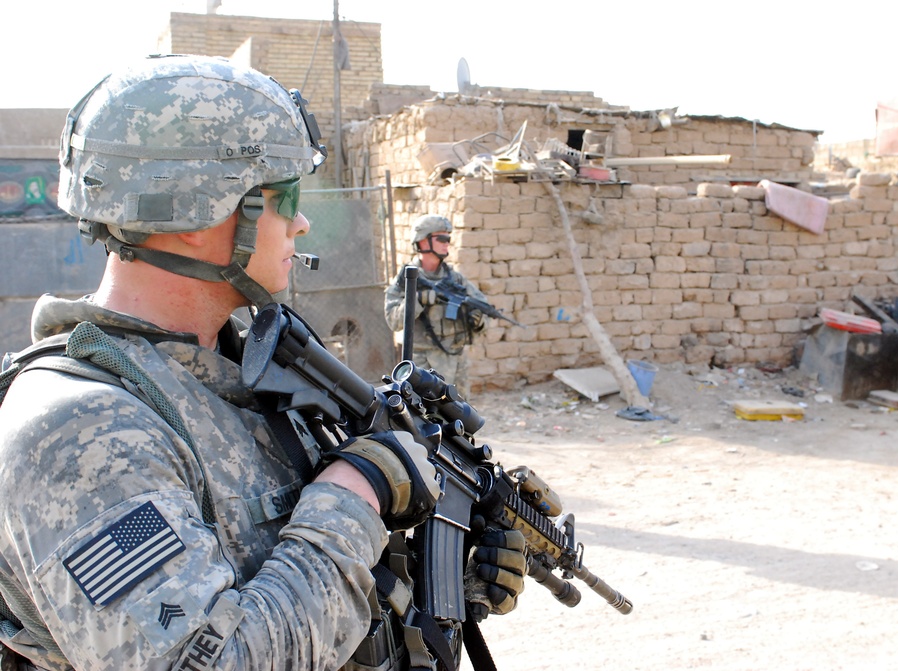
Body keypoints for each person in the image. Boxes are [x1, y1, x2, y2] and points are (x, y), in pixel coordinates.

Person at [0, 55, 523, 670]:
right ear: (200, 214)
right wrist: (357, 490)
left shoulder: (243, 372)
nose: (301, 222)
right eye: (285, 195)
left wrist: (450, 581)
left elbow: (305, 593)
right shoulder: (78, 434)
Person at [384, 215, 489, 398]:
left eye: (448, 238)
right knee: (422, 417)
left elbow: (481, 305)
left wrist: (478, 320)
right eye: (441, 238)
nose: (447, 243)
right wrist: (418, 299)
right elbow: (393, 320)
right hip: (420, 363)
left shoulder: (455, 279)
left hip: (454, 358)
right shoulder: (406, 280)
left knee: (459, 415)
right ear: (422, 241)